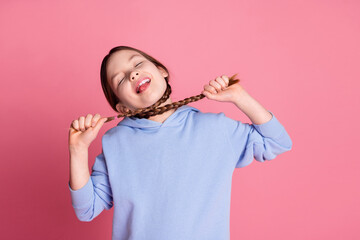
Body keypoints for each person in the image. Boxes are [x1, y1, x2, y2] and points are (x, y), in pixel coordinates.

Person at [68, 46, 293, 240]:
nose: (133, 74)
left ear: (161, 71)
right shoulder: (114, 143)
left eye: (137, 64)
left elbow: (277, 142)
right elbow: (87, 209)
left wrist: (240, 97)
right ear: (123, 108)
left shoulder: (214, 128)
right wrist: (78, 150)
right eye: (121, 79)